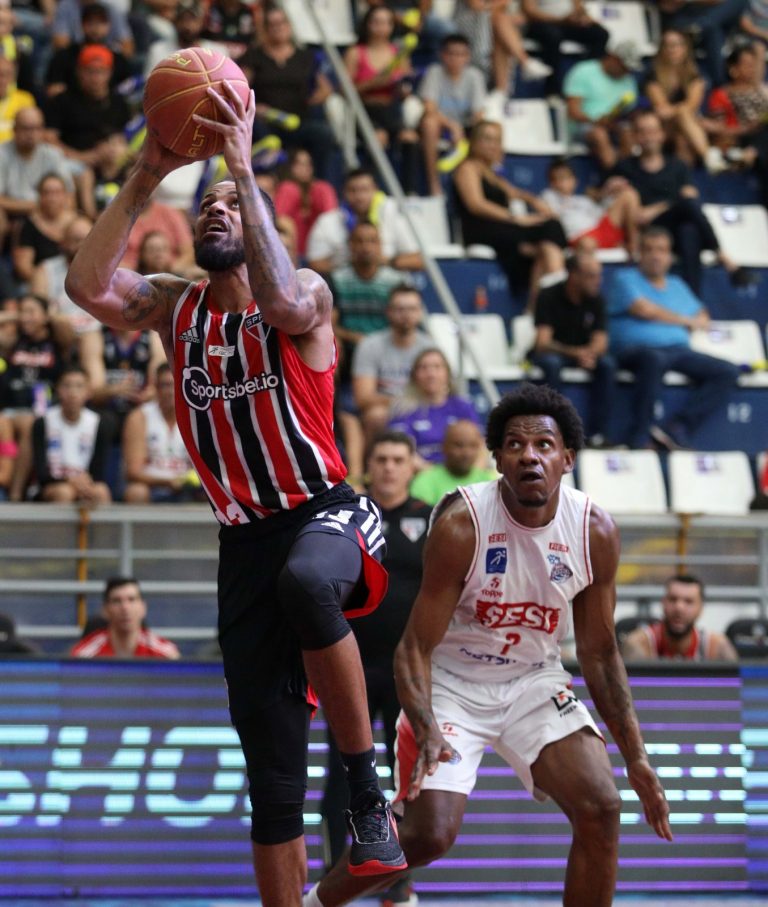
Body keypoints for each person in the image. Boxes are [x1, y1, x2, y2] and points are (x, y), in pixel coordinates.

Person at [65, 79, 406, 905]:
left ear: (261, 225)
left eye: (233, 205)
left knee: (307, 579)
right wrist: (148, 174)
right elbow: (84, 286)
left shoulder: (307, 295)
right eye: (207, 206)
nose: (217, 210)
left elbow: (282, 297)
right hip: (244, 545)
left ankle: (367, 795)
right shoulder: (173, 307)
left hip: (328, 511)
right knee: (273, 782)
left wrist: (241, 169)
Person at [305, 383, 672, 907]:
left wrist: (636, 757)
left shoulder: (593, 531)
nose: (530, 456)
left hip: (532, 680)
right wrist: (427, 727)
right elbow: (414, 648)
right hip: (452, 683)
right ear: (497, 460)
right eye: (515, 445)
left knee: (601, 807)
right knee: (429, 836)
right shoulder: (462, 525)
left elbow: (599, 652)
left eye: (544, 445)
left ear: (567, 459)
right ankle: (312, 903)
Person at [320, 431, 431, 907]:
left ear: (412, 467)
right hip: (350, 669)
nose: (388, 467)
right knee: (342, 778)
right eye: (381, 459)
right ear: (368, 466)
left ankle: (397, 882)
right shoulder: (346, 515)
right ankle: (331, 882)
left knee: (405, 783)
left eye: (397, 459)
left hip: (409, 673)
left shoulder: (433, 519)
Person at [608, 226, 740, 450]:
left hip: (678, 350)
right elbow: (644, 309)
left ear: (670, 256)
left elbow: (703, 316)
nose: (655, 255)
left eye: (661, 250)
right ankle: (639, 437)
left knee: (727, 371)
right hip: (634, 350)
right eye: (649, 249)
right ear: (640, 253)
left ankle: (678, 428)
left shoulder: (677, 284)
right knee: (653, 359)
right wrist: (685, 320)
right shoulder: (625, 278)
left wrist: (680, 318)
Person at [613, 109, 751, 295]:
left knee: (689, 230)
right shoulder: (626, 167)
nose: (648, 137)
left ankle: (692, 300)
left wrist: (656, 208)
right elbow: (603, 196)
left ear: (662, 134)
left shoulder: (677, 166)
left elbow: (690, 196)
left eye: (652, 131)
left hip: (675, 229)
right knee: (687, 208)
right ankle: (724, 258)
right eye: (643, 132)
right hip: (648, 232)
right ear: (636, 136)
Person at [452, 120, 567, 305]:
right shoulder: (467, 168)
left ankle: (538, 307)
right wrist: (515, 219)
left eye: (497, 140)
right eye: (487, 139)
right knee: (548, 231)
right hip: (482, 229)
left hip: (504, 227)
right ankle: (558, 293)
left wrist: (535, 202)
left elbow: (516, 193)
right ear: (474, 141)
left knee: (546, 245)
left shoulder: (493, 174)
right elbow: (476, 204)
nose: (493, 145)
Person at [236, 4, 336, 182]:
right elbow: (240, 89)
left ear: (289, 26)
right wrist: (256, 108)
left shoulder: (305, 56)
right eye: (272, 24)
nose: (278, 28)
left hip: (298, 121)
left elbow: (326, 89)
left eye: (282, 23)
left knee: (323, 133)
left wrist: (308, 101)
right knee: (259, 133)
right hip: (266, 120)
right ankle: (265, 180)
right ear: (265, 29)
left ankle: (320, 184)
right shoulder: (254, 56)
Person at [530, 251, 617, 448]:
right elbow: (542, 343)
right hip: (554, 354)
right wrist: (576, 353)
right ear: (574, 275)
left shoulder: (597, 299)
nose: (598, 281)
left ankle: (598, 435)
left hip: (582, 355)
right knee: (552, 364)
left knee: (607, 365)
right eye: (591, 276)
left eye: (599, 275)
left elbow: (601, 341)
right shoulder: (548, 295)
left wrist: (589, 353)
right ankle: (554, 432)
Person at [344, 5, 420, 193]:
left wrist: (404, 88)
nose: (381, 27)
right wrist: (374, 83)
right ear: (367, 24)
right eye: (376, 22)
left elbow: (405, 85)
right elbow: (345, 89)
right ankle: (374, 191)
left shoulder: (398, 52)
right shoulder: (356, 52)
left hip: (392, 108)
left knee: (409, 137)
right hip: (364, 110)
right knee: (379, 138)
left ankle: (410, 191)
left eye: (387, 22)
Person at [351, 283, 434, 443]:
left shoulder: (430, 347)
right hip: (386, 410)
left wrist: (415, 403)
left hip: (423, 406)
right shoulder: (369, 345)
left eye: (412, 309)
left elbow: (439, 390)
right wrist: (402, 402)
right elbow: (363, 397)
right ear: (388, 312)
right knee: (376, 415)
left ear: (420, 312)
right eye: (400, 309)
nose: (406, 315)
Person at [307, 167, 423, 275]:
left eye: (365, 190)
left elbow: (418, 260)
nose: (359, 197)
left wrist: (381, 261)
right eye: (353, 190)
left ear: (376, 190)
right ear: (344, 192)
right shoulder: (327, 221)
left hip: (390, 282)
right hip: (343, 283)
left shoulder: (393, 212)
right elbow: (314, 264)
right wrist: (353, 265)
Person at [643, 29, 723, 173]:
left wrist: (679, 111)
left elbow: (692, 106)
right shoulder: (652, 75)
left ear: (685, 48)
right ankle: (709, 156)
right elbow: (662, 109)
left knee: (682, 139)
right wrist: (680, 110)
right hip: (663, 127)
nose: (672, 49)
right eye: (667, 45)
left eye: (676, 45)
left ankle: (685, 179)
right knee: (683, 113)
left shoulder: (695, 75)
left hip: (686, 124)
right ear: (661, 49)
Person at [417, 32, 486, 196]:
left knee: (486, 129)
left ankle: (482, 183)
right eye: (451, 54)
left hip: (465, 129)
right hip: (441, 127)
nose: (456, 59)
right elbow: (429, 107)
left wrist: (468, 136)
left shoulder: (475, 76)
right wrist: (453, 126)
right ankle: (434, 184)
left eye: (461, 54)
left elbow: (478, 113)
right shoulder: (434, 72)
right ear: (442, 55)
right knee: (429, 123)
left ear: (468, 57)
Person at [31, 364, 112, 503]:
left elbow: (98, 472)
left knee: (101, 491)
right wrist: (69, 480)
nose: (73, 392)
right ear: (57, 389)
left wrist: (83, 483)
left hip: (84, 482)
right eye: (67, 386)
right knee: (64, 492)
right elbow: (41, 473)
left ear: (89, 392)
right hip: (52, 484)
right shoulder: (43, 422)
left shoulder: (98, 423)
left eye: (79, 386)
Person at [388, 347, 481, 468]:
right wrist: (434, 474)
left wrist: (474, 473)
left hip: (462, 472)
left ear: (447, 374)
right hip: (419, 474)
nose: (431, 374)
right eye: (423, 368)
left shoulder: (463, 407)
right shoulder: (402, 409)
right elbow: (401, 451)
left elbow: (480, 447)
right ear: (414, 375)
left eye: (437, 367)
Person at [122, 362, 201, 503]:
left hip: (189, 487)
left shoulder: (196, 417)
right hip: (151, 485)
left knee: (212, 494)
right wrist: (168, 482)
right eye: (165, 385)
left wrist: (187, 481)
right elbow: (133, 471)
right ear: (156, 388)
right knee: (136, 492)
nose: (170, 391)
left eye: (175, 385)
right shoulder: (140, 417)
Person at [330, 220, 404, 363]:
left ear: (380, 245)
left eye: (372, 241)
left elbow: (401, 322)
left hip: (387, 347)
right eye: (360, 241)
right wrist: (354, 337)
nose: (366, 247)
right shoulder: (336, 280)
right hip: (348, 346)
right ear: (351, 245)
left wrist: (373, 342)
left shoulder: (395, 281)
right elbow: (329, 326)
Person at [621, 574, 738, 661]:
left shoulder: (717, 646)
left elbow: (738, 685)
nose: (679, 608)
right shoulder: (639, 644)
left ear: (701, 608)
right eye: (673, 599)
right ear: (663, 603)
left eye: (688, 601)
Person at [563, 40, 640, 172]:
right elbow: (573, 111)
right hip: (583, 125)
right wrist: (597, 121)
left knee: (629, 133)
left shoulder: (629, 80)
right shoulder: (584, 71)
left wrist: (614, 121)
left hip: (614, 124)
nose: (627, 72)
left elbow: (630, 111)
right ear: (613, 58)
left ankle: (626, 173)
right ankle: (613, 173)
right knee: (599, 134)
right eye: (624, 67)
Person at [540, 158, 638, 255]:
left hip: (600, 230)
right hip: (581, 238)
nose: (561, 182)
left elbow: (602, 214)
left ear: (575, 180)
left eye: (565, 177)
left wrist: (610, 191)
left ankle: (634, 248)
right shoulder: (548, 197)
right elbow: (547, 212)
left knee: (629, 195)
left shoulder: (583, 200)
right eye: (556, 179)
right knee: (587, 243)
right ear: (551, 183)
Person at [71, 576, 181, 658]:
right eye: (116, 601)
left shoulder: (166, 655)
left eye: (131, 599)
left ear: (143, 608)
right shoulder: (84, 656)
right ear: (105, 610)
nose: (125, 608)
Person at [521, 0, 609, 93]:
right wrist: (559, 20)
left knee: (600, 34)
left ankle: (585, 79)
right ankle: (552, 90)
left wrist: (583, 17)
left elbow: (578, 7)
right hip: (541, 23)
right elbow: (529, 10)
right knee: (553, 37)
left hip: (568, 23)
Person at [409, 418, 495, 506]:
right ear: (444, 447)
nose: (466, 453)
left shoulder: (488, 482)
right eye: (459, 445)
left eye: (473, 446)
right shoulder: (424, 481)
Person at [274, 148, 338, 259]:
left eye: (308, 164)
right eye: (299, 164)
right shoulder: (288, 189)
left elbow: (331, 219)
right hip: (294, 254)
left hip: (321, 253)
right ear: (289, 167)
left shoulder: (322, 189)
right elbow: (278, 220)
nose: (306, 168)